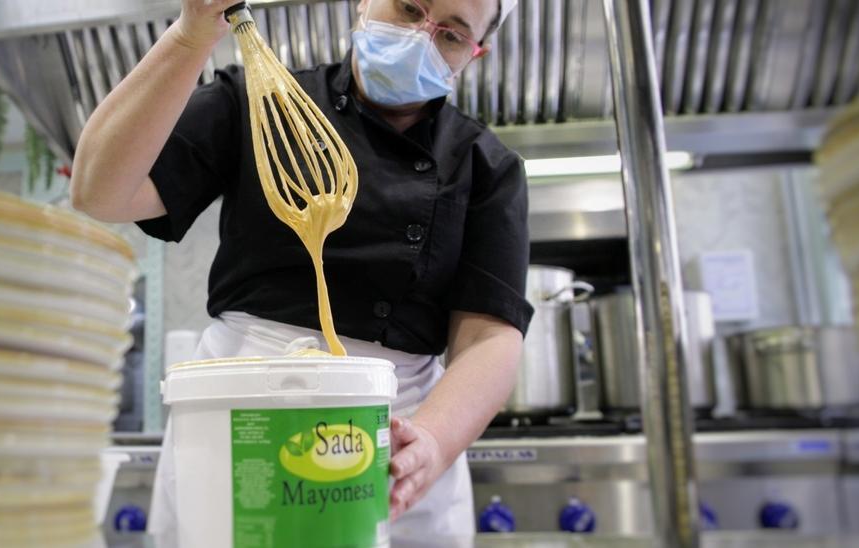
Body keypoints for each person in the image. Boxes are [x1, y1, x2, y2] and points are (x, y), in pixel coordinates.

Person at [71, 0, 529, 540]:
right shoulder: (260, 102)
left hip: (394, 428)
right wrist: (191, 36)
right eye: (409, 8)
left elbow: (489, 337)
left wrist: (431, 440)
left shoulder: (486, 165)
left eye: (450, 35)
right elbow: (100, 191)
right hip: (241, 407)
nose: (419, 37)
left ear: (477, 53)